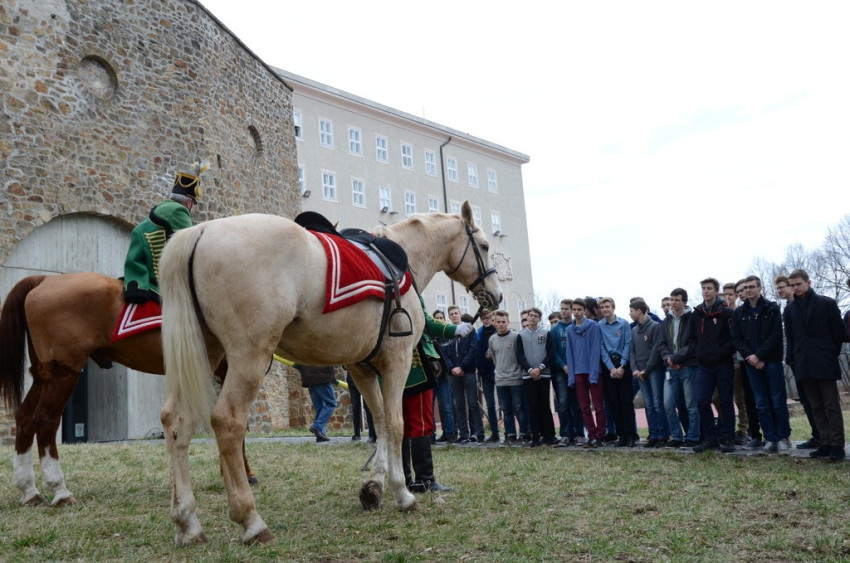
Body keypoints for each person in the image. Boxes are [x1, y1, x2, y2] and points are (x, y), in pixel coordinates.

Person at [403, 298, 472, 492]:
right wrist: (453, 329)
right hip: (416, 363)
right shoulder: (408, 288)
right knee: (421, 422)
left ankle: (403, 479)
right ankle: (425, 479)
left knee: (400, 424)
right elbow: (425, 320)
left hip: (391, 366)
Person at [784, 269, 846, 461]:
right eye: (792, 285)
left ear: (808, 282)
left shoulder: (827, 303)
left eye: (798, 284)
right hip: (802, 363)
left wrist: (830, 353)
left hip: (825, 360)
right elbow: (791, 337)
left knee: (831, 405)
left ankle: (837, 445)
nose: (795, 288)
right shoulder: (789, 309)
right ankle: (824, 443)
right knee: (815, 405)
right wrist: (792, 359)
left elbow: (838, 333)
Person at [122, 167, 203, 303]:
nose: (192, 209)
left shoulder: (165, 207)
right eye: (193, 204)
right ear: (189, 202)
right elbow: (193, 246)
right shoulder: (178, 210)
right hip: (158, 281)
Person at [730, 276, 791, 454]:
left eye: (751, 287)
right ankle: (770, 438)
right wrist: (751, 357)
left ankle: (783, 437)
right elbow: (737, 339)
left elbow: (776, 335)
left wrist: (759, 355)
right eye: (745, 288)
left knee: (777, 401)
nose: (748, 290)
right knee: (761, 403)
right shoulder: (739, 313)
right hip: (751, 364)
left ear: (759, 288)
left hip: (771, 361)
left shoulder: (772, 308)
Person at [690, 278, 736, 453]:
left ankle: (729, 437)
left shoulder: (726, 313)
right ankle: (710, 438)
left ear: (716, 291)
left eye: (709, 288)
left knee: (725, 402)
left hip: (723, 364)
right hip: (704, 365)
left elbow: (734, 339)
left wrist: (722, 352)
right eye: (703, 288)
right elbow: (692, 338)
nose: (706, 291)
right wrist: (698, 353)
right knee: (702, 401)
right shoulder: (697, 313)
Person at [775, 274, 820, 449]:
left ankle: (823, 436)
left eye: (782, 287)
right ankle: (817, 435)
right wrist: (790, 358)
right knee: (806, 400)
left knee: (816, 399)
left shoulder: (802, 306)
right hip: (797, 361)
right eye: (777, 288)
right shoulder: (788, 308)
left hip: (813, 360)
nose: (779, 290)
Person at [657, 288, 700, 448]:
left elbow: (692, 344)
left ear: (684, 302)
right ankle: (676, 437)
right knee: (668, 404)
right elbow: (661, 344)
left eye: (677, 300)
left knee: (691, 405)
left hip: (688, 367)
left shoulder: (692, 319)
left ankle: (693, 437)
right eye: (672, 299)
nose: (673, 303)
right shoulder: (665, 321)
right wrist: (668, 359)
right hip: (670, 369)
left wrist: (676, 358)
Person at [724, 281, 762, 447]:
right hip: (724, 361)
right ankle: (727, 427)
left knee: (742, 398)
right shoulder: (722, 313)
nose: (728, 297)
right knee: (719, 398)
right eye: (725, 295)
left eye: (731, 294)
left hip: (741, 360)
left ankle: (744, 430)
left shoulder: (740, 312)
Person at [565, 298, 605, 447]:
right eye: (574, 309)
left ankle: (600, 436)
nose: (576, 312)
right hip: (578, 373)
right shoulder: (569, 329)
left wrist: (594, 373)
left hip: (593, 372)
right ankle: (591, 435)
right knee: (584, 406)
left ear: (584, 311)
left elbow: (595, 349)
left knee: (598, 405)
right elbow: (569, 353)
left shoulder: (593, 326)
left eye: (579, 309)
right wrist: (571, 376)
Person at [515, 307, 557, 447]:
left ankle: (549, 436)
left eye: (535, 316)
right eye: (530, 315)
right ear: (527, 318)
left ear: (539, 318)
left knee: (544, 405)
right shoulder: (521, 335)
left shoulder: (545, 333)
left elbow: (551, 353)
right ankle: (535, 437)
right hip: (528, 376)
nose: (532, 318)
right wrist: (530, 370)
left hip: (544, 374)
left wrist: (540, 368)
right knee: (533, 406)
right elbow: (519, 355)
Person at [629, 299, 668, 447]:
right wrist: (635, 369)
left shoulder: (655, 326)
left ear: (639, 311)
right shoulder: (634, 330)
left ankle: (662, 435)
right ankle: (653, 434)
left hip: (653, 371)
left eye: (632, 311)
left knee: (658, 403)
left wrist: (647, 369)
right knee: (649, 404)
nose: (630, 314)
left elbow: (656, 350)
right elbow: (632, 351)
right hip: (639, 373)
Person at [598, 297, 636, 447]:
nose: (605, 309)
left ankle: (630, 435)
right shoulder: (599, 326)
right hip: (609, 366)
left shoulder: (624, 323)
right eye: (602, 307)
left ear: (613, 307)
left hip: (623, 365)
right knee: (615, 403)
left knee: (626, 402)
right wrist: (611, 368)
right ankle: (621, 436)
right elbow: (601, 347)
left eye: (607, 306)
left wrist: (622, 366)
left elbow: (628, 344)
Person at [488, 309, 528, 445]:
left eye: (503, 322)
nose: (501, 324)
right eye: (498, 322)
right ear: (495, 323)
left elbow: (521, 356)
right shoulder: (492, 339)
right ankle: (510, 435)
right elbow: (495, 358)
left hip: (516, 379)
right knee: (506, 409)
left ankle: (524, 434)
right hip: (500, 380)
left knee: (519, 408)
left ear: (508, 322)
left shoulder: (516, 337)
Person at [443, 312, 484, 443]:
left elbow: (473, 349)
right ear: (449, 317)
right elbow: (444, 353)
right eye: (451, 314)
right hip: (453, 374)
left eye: (456, 313)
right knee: (459, 405)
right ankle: (464, 434)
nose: (454, 316)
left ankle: (478, 433)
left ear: (460, 315)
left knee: (473, 403)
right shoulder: (446, 332)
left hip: (468, 372)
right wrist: (452, 368)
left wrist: (462, 367)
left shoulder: (469, 330)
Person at [550, 300, 585, 445]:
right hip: (561, 372)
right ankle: (565, 434)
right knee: (563, 403)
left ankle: (579, 434)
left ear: (572, 310)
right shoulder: (554, 330)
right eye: (562, 308)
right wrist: (563, 365)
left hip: (577, 370)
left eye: (566, 308)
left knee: (577, 403)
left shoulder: (578, 327)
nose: (564, 311)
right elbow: (553, 351)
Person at [431, 309, 457, 443]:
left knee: (446, 407)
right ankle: (431, 434)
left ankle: (450, 433)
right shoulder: (429, 337)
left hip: (444, 376)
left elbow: (449, 356)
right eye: (437, 318)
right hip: (431, 377)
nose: (439, 320)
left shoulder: (446, 337)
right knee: (430, 408)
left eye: (441, 318)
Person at [294, 365, 338, 442]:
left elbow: (298, 364)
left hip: (309, 380)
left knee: (319, 408)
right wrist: (333, 378)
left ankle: (320, 435)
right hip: (322, 378)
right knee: (331, 404)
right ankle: (317, 427)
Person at [475, 311, 501, 443]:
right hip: (485, 373)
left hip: (499, 372)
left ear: (492, 318)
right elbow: (477, 353)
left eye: (488, 318)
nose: (486, 320)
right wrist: (481, 369)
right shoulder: (479, 334)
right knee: (490, 404)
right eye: (483, 318)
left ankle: (511, 433)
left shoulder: (497, 332)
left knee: (504, 403)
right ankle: (495, 433)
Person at [346, 369, 377, 443]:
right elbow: (344, 366)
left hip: (365, 379)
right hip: (352, 379)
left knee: (368, 407)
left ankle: (372, 435)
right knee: (355, 407)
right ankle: (356, 434)